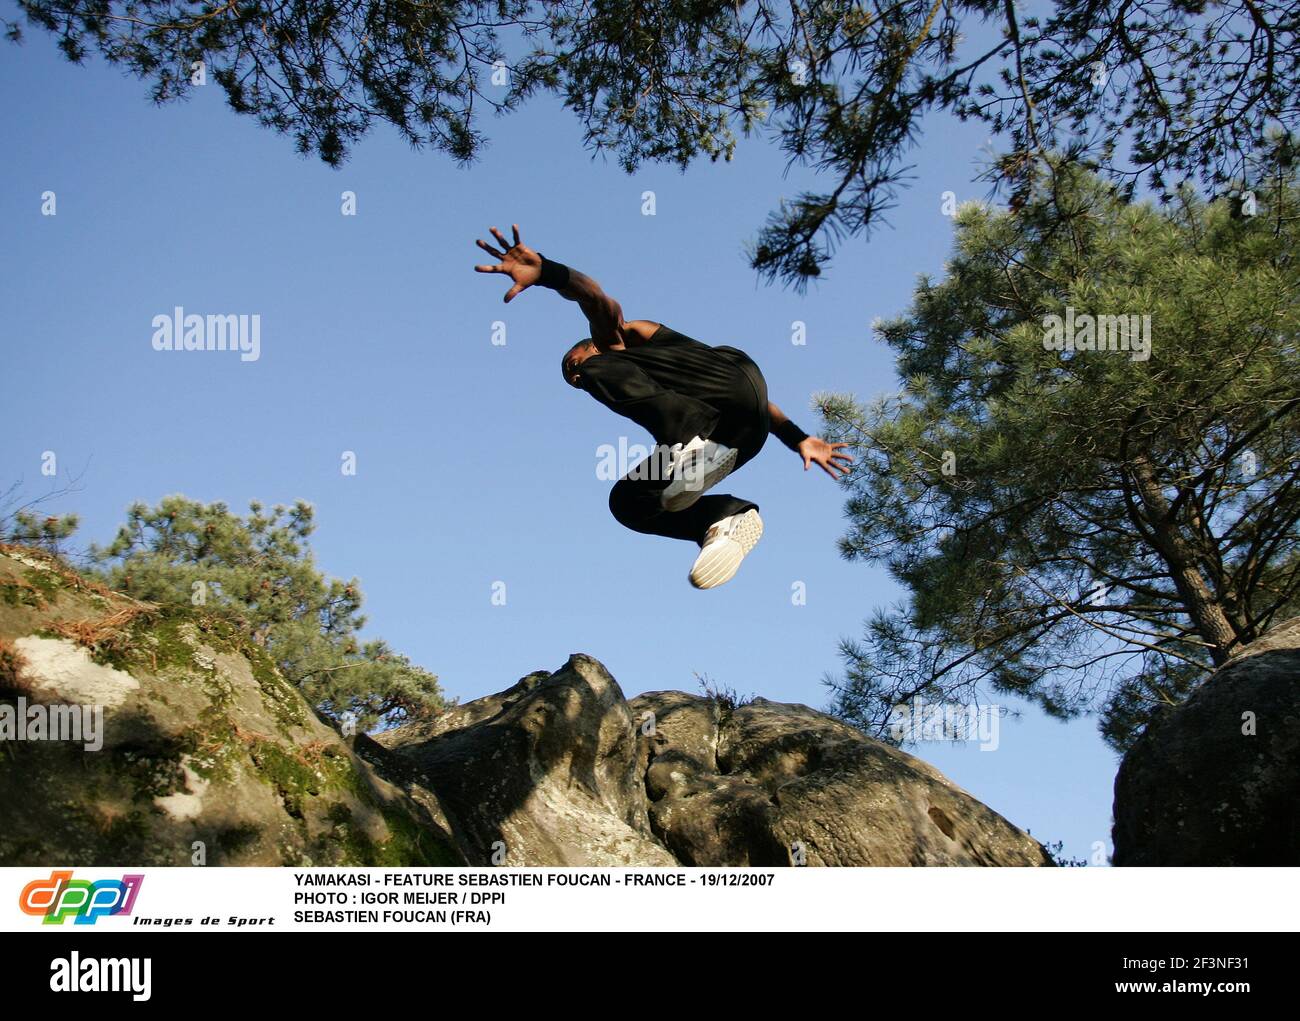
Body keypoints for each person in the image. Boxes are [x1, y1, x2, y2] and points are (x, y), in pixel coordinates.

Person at [474, 224, 853, 589]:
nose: (576, 378)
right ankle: (726, 519)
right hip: (741, 433)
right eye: (572, 379)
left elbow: (596, 299)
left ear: (588, 344)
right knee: (628, 502)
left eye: (572, 365)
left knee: (612, 377)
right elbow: (757, 405)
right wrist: (798, 439)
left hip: (724, 384)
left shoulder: (620, 339)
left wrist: (550, 273)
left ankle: (690, 440)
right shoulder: (663, 387)